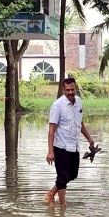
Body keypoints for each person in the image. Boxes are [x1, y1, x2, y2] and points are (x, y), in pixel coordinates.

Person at [44, 77, 95, 206]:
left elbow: (80, 123)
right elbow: (51, 130)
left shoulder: (78, 102)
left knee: (72, 175)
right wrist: (50, 151)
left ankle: (50, 194)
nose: (70, 92)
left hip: (74, 146)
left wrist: (89, 138)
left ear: (76, 89)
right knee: (62, 177)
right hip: (61, 147)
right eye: (68, 90)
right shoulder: (57, 106)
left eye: (72, 89)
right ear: (63, 90)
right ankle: (63, 206)